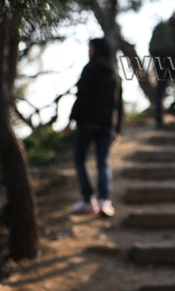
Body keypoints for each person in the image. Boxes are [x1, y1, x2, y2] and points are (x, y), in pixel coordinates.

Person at [68, 38, 123, 217]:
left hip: (87, 122)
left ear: (96, 49)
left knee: (80, 158)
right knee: (103, 162)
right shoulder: (115, 72)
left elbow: (82, 96)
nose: (89, 50)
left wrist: (72, 118)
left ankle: (88, 200)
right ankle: (104, 201)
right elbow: (119, 104)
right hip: (107, 125)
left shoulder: (90, 68)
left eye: (90, 47)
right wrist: (118, 129)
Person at [150, 11, 175, 128]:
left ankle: (158, 117)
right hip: (173, 62)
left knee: (160, 89)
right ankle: (173, 106)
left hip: (159, 63)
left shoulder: (160, 31)